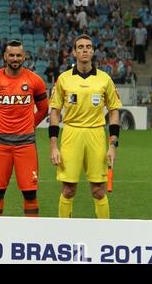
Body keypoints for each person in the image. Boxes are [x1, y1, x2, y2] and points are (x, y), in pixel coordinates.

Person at [49, 34, 122, 219]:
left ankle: (104, 235)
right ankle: (64, 233)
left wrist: (113, 145)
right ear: (74, 52)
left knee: (98, 190)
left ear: (93, 51)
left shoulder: (104, 79)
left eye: (88, 47)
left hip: (96, 134)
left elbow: (114, 111)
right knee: (68, 189)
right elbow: (55, 112)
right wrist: (53, 146)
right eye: (80, 47)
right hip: (71, 134)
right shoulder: (63, 79)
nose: (84, 50)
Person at [0, 40, 49, 217]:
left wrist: (29, 124)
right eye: (11, 55)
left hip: (25, 144)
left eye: (18, 55)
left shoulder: (35, 81)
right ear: (5, 56)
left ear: (24, 57)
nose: (15, 58)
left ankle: (31, 236)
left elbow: (43, 109)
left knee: (30, 193)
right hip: (0, 144)